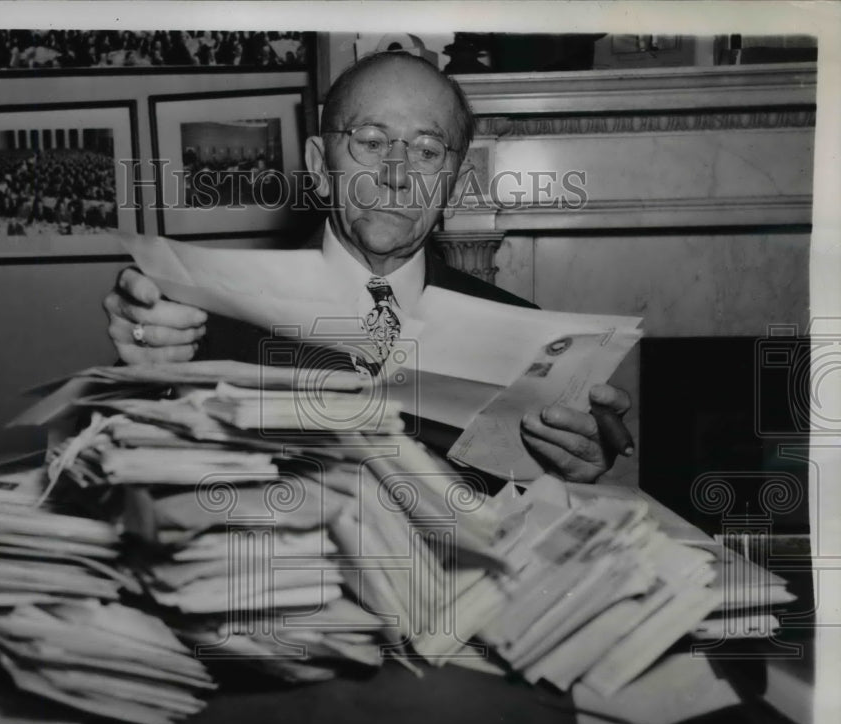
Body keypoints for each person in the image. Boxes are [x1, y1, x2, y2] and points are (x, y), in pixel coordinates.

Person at [103, 52, 632, 484]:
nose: (397, 175)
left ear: (455, 182)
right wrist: (148, 384)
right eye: (371, 142)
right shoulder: (207, 319)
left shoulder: (530, 341)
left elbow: (530, 523)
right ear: (319, 166)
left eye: (427, 150)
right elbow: (139, 495)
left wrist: (567, 471)